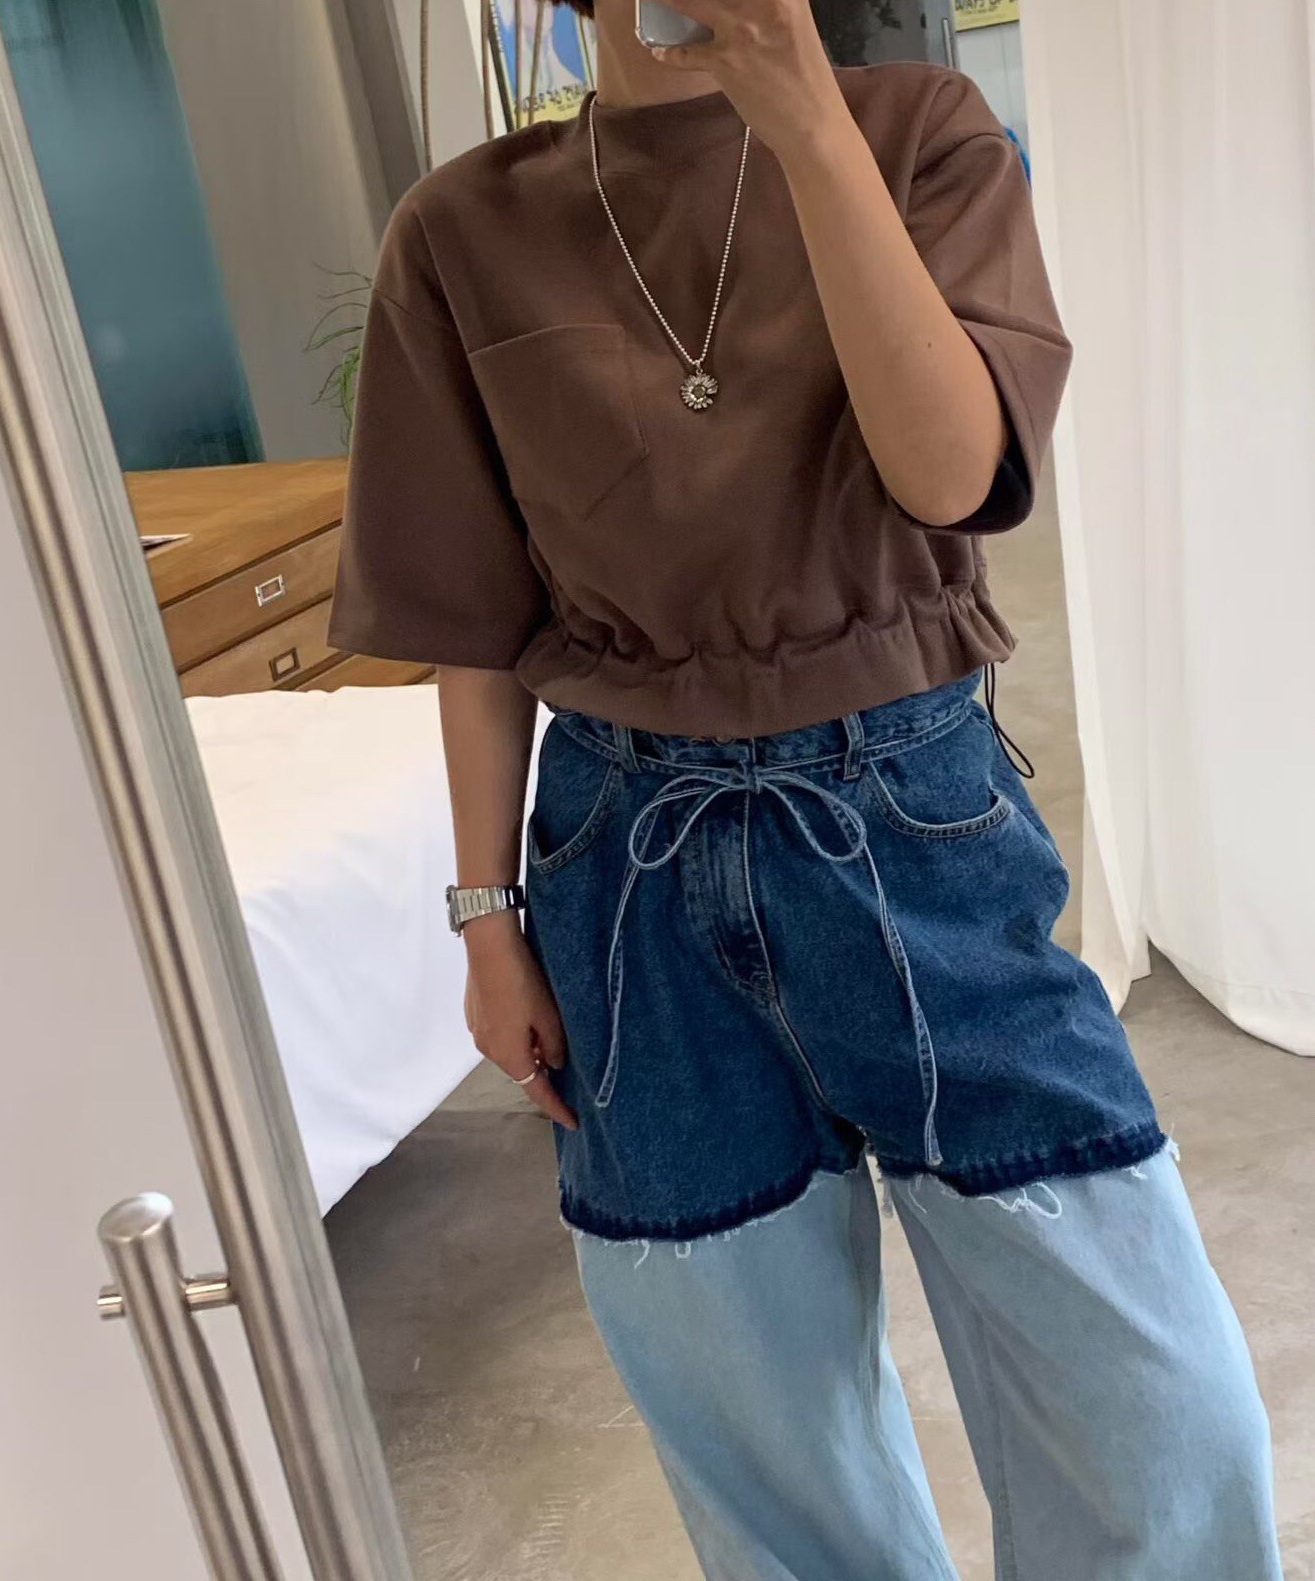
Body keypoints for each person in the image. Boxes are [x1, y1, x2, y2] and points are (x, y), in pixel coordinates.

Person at [328, 0, 1283, 1574]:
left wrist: (808, 126)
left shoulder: (918, 135)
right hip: (627, 871)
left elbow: (951, 476)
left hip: (912, 823)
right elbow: (477, 632)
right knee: (759, 1441)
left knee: (1160, 1417)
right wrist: (488, 921)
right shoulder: (463, 230)